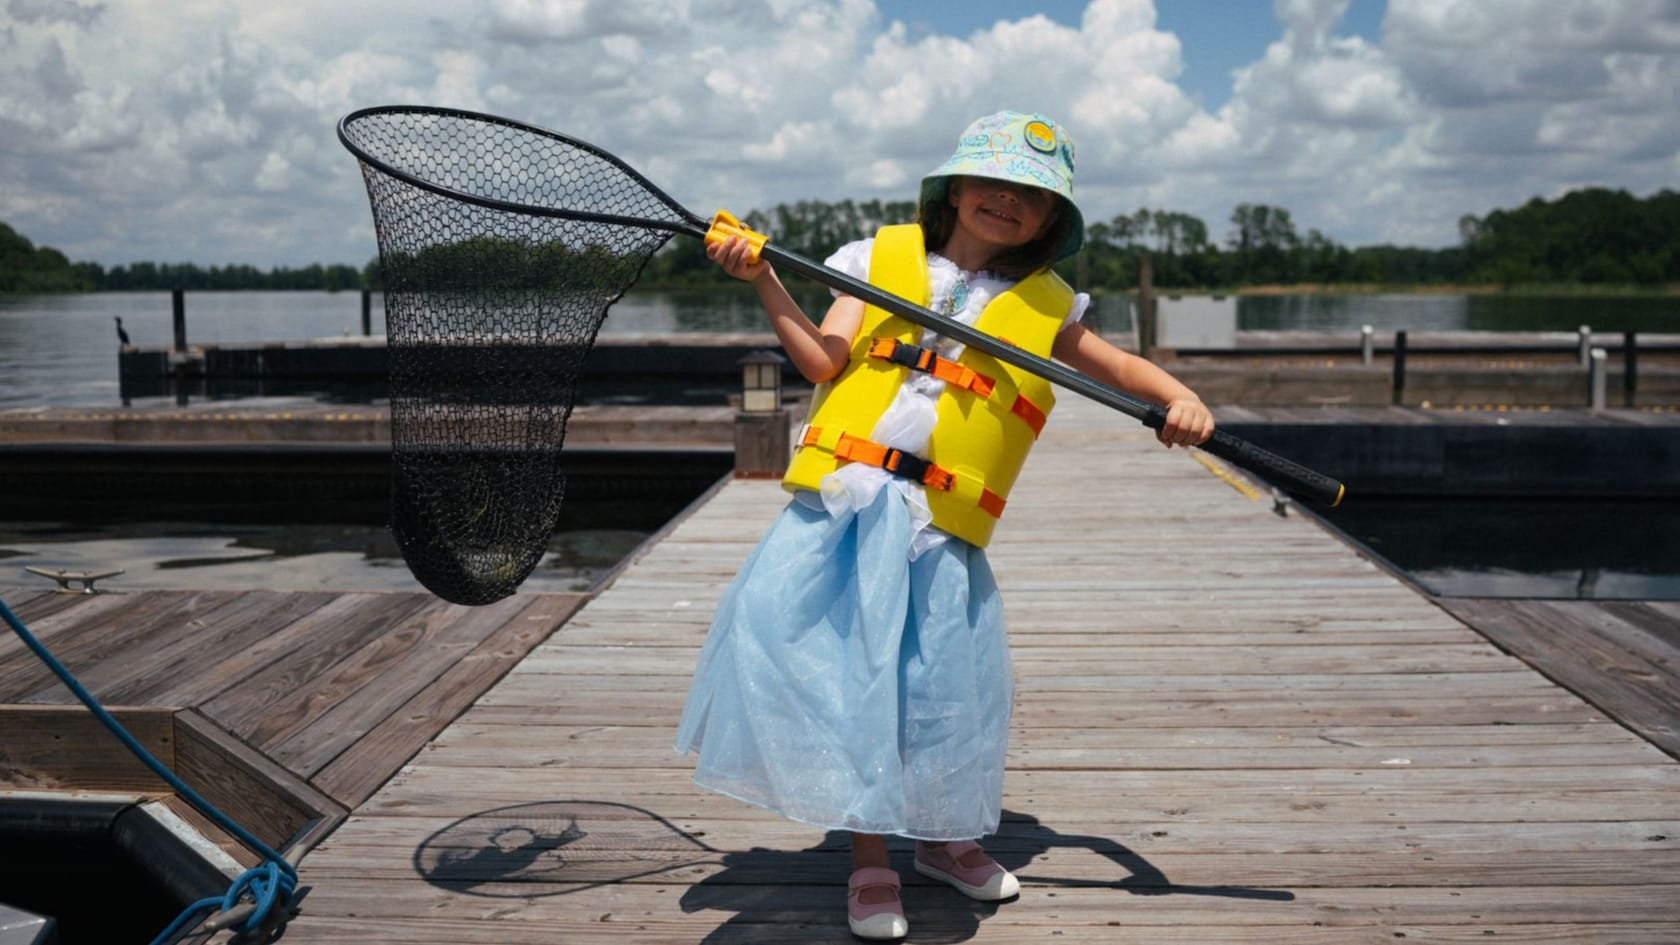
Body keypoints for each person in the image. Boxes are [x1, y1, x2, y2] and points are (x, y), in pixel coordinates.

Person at [674, 111, 1214, 940]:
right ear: (954, 189)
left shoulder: (1048, 303)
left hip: (940, 527)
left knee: (945, 690)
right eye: (992, 182)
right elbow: (822, 361)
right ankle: (870, 858)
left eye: (1031, 196)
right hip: (848, 510)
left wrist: (1179, 398)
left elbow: (1120, 367)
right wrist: (761, 278)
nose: (1007, 200)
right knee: (858, 682)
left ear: (1050, 221)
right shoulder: (871, 261)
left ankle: (944, 839)